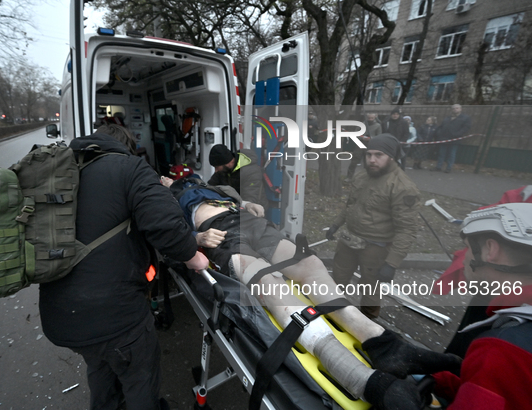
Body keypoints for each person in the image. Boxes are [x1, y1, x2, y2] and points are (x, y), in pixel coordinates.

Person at [162, 174, 461, 409]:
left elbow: (241, 200)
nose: (167, 179)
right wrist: (196, 236)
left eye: (169, 177)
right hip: (217, 233)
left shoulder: (216, 186)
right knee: (267, 282)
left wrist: (248, 204)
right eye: (164, 179)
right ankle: (358, 377)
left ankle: (382, 342)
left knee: (308, 264)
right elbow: (164, 231)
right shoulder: (167, 198)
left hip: (247, 220)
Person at [38, 123, 209, 410]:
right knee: (139, 379)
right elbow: (165, 227)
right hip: (116, 317)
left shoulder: (62, 170)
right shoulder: (130, 168)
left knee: (100, 366)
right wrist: (194, 256)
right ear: (126, 145)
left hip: (61, 315)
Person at [432, 203, 532, 409]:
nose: (463, 258)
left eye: (468, 247)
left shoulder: (502, 352)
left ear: (490, 249)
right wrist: (442, 380)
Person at [326, 134, 420, 319]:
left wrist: (392, 263)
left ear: (391, 157)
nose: (372, 160)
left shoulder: (403, 187)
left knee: (370, 289)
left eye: (379, 155)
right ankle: (331, 314)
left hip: (375, 248)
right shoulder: (362, 176)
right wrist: (335, 225)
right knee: (336, 280)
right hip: (349, 240)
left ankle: (368, 323)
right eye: (368, 154)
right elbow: (351, 205)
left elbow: (407, 229)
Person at [207, 144, 268, 211]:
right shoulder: (222, 171)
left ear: (226, 163)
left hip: (254, 210)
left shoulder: (251, 172)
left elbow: (251, 198)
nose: (216, 170)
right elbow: (210, 187)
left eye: (216, 167)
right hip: (233, 208)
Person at [434, 104, 471, 173]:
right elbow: (441, 126)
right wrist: (439, 133)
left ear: (460, 109)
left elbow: (466, 128)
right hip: (444, 138)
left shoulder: (465, 118)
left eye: (457, 108)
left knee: (451, 154)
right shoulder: (448, 118)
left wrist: (457, 134)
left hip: (455, 139)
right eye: (453, 108)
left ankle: (449, 168)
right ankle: (438, 167)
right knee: (441, 153)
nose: (455, 109)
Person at [346, 112, 381, 181]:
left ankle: (366, 178)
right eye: (369, 118)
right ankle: (349, 177)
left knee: (367, 163)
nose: (370, 119)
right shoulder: (361, 124)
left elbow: (379, 136)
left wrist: (371, 138)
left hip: (370, 146)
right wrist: (362, 138)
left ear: (375, 118)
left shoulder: (377, 125)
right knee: (354, 161)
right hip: (360, 144)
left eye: (372, 118)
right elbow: (355, 134)